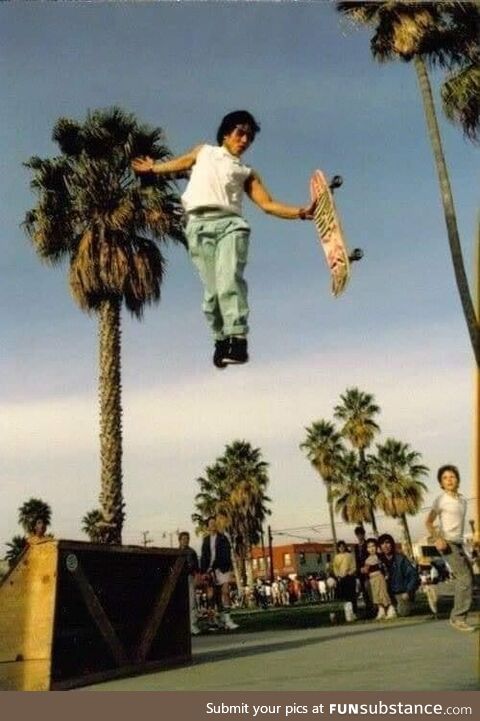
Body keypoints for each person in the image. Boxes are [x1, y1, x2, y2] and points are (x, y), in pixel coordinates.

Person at [132, 110, 316, 368]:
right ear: (226, 134)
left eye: (249, 137)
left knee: (229, 280)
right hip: (197, 226)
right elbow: (181, 162)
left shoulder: (246, 171)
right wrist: (153, 169)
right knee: (212, 294)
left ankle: (238, 339)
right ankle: (221, 340)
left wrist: (300, 212)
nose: (245, 140)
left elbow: (268, 204)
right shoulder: (204, 152)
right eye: (241, 133)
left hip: (231, 225)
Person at [426, 464, 475, 632]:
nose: (449, 480)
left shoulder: (462, 500)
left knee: (468, 578)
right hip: (446, 543)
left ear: (458, 479)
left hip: (459, 543)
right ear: (441, 483)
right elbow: (428, 522)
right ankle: (457, 618)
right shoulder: (441, 500)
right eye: (445, 478)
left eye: (452, 477)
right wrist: (437, 538)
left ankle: (436, 590)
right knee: (465, 578)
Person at [200, 516, 239, 630]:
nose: (213, 525)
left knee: (225, 592)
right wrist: (204, 571)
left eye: (214, 523)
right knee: (212, 596)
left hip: (222, 569)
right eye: (210, 524)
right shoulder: (206, 540)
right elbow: (204, 556)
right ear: (208, 526)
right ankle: (214, 620)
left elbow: (226, 554)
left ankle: (228, 619)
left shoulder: (223, 538)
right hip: (210, 570)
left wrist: (222, 566)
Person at [378, 533, 419, 617]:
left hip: (401, 592)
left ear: (392, 544)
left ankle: (400, 605)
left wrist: (408, 591)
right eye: (382, 544)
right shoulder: (379, 560)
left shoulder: (400, 559)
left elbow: (413, 575)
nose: (385, 546)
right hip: (386, 594)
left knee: (402, 613)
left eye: (387, 542)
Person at [363, 537, 396, 620]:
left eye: (373, 546)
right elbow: (366, 570)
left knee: (383, 593)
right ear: (367, 549)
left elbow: (384, 567)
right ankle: (381, 610)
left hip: (380, 577)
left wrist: (386, 575)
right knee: (376, 595)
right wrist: (363, 570)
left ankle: (390, 609)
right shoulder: (367, 560)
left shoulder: (379, 557)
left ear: (376, 547)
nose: (371, 549)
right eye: (369, 547)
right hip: (372, 579)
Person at [178, 531, 200, 636]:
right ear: (180, 540)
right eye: (183, 538)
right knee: (180, 603)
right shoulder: (176, 552)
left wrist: (196, 579)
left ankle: (193, 625)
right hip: (178, 580)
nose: (185, 540)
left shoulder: (192, 552)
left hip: (189, 577)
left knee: (192, 602)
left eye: (187, 538)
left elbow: (196, 568)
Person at [353, 525, 375, 619]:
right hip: (360, 572)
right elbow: (356, 560)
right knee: (364, 591)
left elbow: (371, 556)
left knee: (370, 590)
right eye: (357, 535)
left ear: (363, 534)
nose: (359, 536)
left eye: (361, 534)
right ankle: (369, 609)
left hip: (369, 571)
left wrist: (366, 567)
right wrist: (358, 570)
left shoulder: (368, 545)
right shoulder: (355, 547)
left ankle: (375, 608)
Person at [332, 541, 357, 621]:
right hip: (341, 579)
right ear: (338, 548)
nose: (341, 548)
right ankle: (346, 613)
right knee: (344, 597)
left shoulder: (350, 555)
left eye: (343, 546)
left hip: (350, 578)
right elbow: (335, 568)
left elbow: (354, 566)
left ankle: (354, 613)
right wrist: (338, 576)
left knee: (352, 596)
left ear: (345, 547)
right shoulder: (336, 557)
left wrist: (349, 573)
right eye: (340, 547)